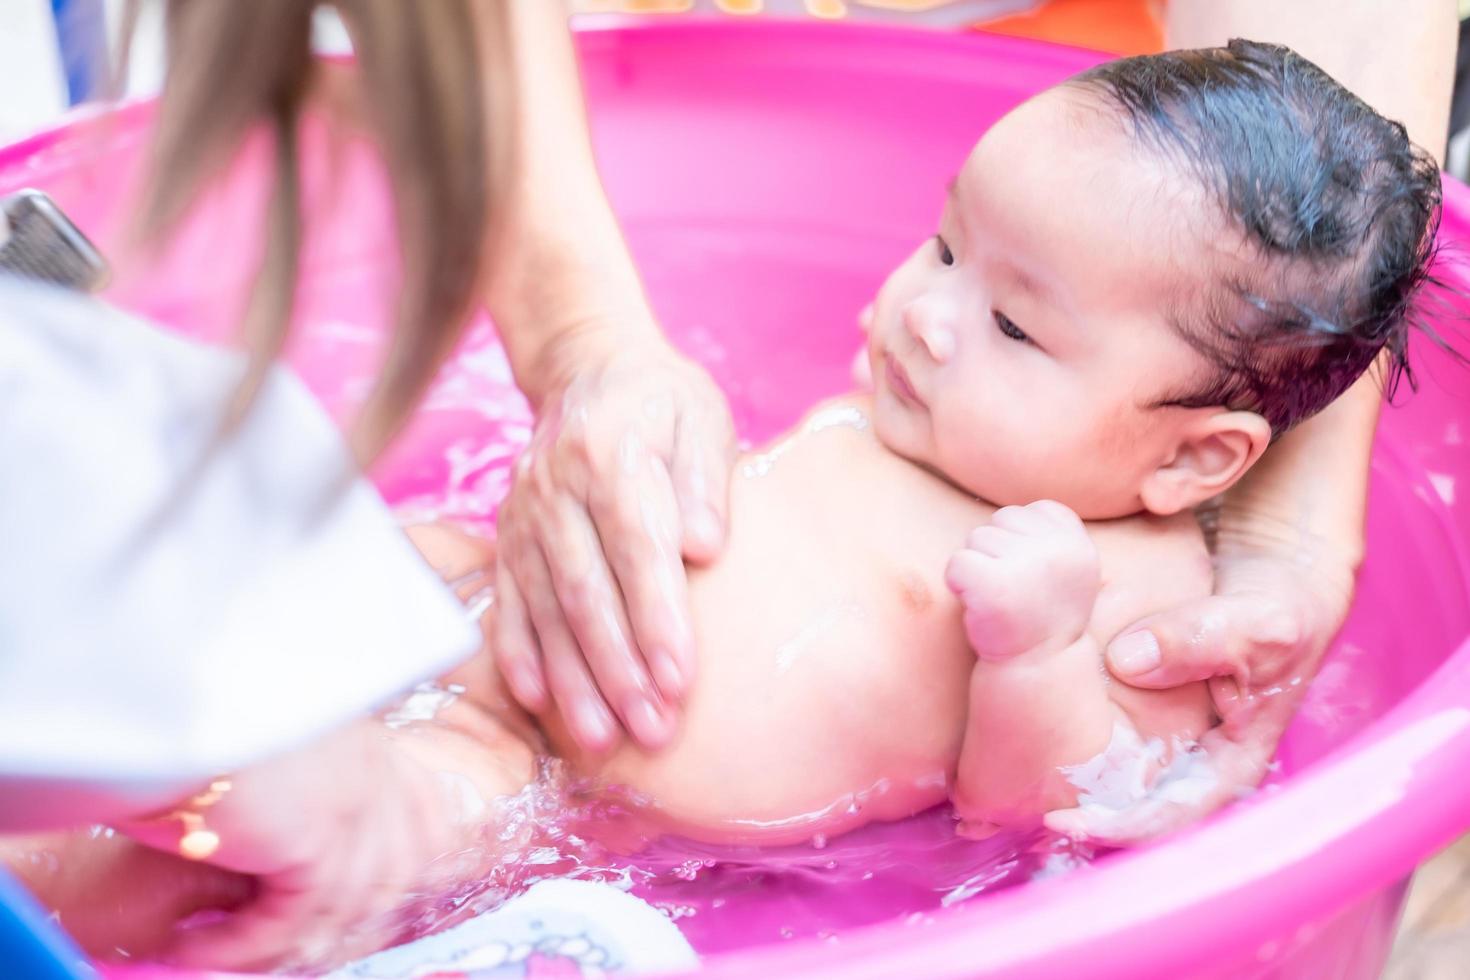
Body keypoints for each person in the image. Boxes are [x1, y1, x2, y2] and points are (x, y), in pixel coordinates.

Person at [11, 38, 1445, 971]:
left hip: (572, 783)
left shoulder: (1137, 599)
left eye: (1014, 327)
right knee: (333, 571)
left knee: (351, 812)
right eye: (944, 244)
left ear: (1194, 460)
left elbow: (1055, 811)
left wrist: (1038, 655)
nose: (929, 315)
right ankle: (112, 724)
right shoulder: (908, 415)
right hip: (513, 610)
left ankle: (133, 768)